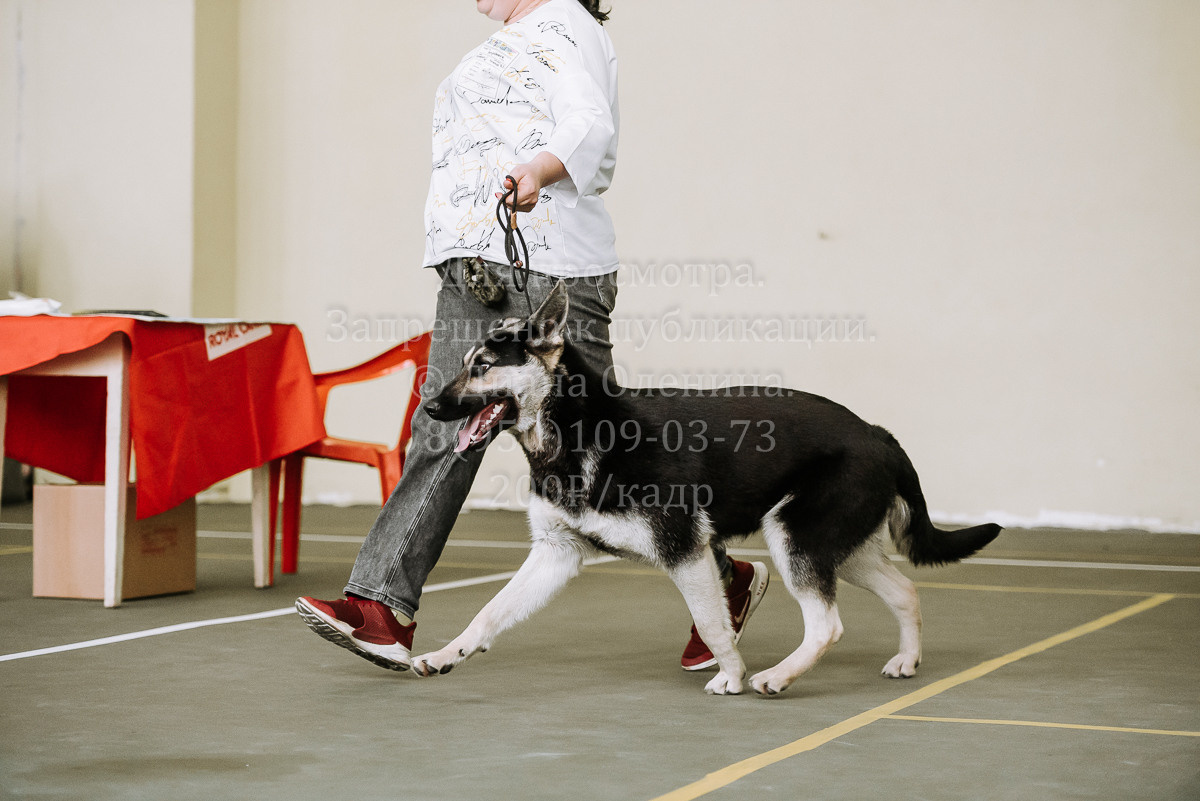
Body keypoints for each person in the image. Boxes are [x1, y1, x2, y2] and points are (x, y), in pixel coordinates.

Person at [297, 0, 768, 676]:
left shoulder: (562, 23)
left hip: (548, 269)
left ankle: (723, 578)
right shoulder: (509, 41)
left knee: (607, 457)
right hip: (473, 272)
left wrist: (541, 169)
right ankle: (381, 606)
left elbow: (588, 121)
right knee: (443, 432)